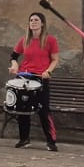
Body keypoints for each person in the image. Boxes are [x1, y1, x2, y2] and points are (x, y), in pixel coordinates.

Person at [9, 11, 62, 151]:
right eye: (31, 20)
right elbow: (14, 56)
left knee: (43, 110)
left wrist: (48, 71)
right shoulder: (24, 39)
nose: (33, 22)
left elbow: (55, 59)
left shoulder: (50, 40)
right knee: (22, 109)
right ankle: (24, 139)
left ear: (42, 23)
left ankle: (51, 141)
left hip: (40, 77)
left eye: (36, 20)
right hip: (24, 77)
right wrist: (14, 65)